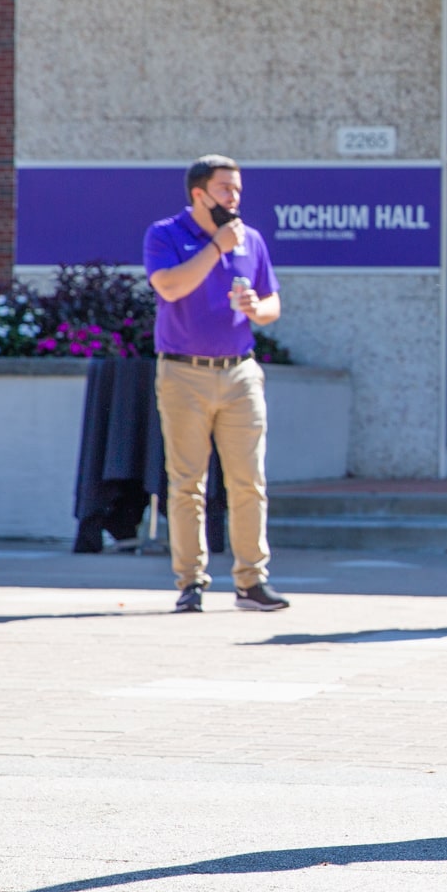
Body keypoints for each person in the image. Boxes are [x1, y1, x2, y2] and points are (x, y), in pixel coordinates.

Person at [144, 155, 289, 613]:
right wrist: (216, 249)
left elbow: (272, 307)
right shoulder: (164, 234)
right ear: (199, 194)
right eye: (226, 189)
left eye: (238, 190)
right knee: (187, 482)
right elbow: (168, 287)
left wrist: (254, 308)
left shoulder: (253, 240)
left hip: (240, 372)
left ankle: (251, 583)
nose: (235, 197)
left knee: (250, 481)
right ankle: (191, 583)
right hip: (183, 373)